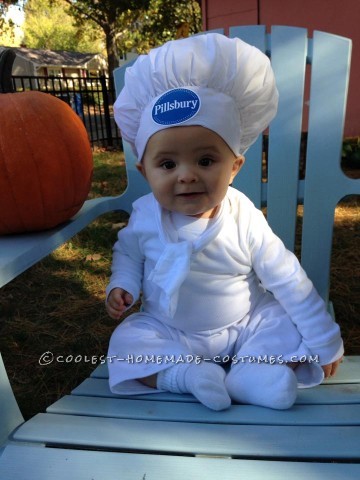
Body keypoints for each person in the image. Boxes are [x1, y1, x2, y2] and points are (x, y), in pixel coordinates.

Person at [106, 33, 343, 411]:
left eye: (205, 161)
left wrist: (324, 338)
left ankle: (253, 374)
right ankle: (185, 375)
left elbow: (286, 277)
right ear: (144, 170)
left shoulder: (242, 216)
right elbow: (129, 253)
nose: (186, 175)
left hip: (245, 325)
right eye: (167, 164)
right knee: (128, 340)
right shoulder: (145, 214)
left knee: (281, 319)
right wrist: (123, 284)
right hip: (171, 330)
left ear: (234, 167)